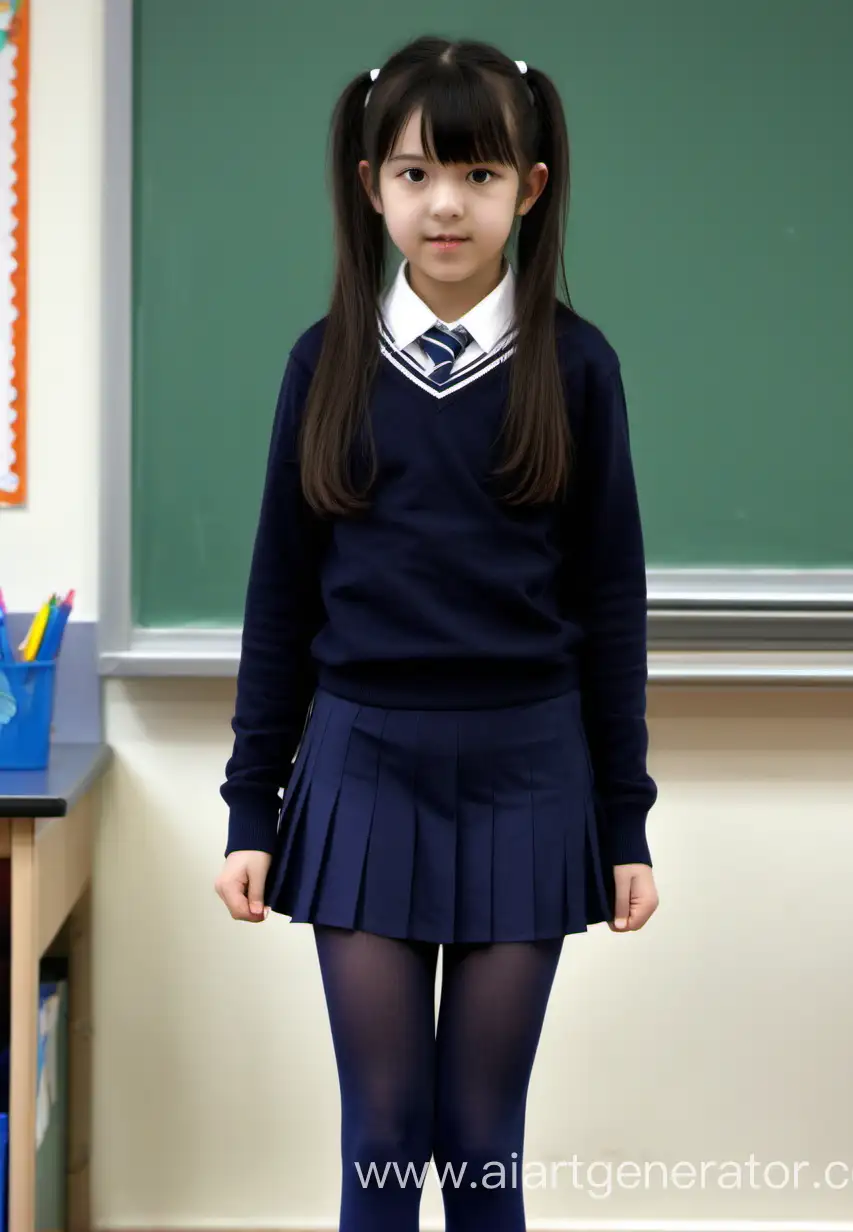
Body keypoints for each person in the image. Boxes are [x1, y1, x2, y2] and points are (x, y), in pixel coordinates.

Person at [214, 34, 659, 1231]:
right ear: (370, 186)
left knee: (478, 1143)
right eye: (414, 174)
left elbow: (612, 605)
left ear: (532, 186)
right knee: (382, 1132)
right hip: (361, 770)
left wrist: (627, 820)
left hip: (531, 771)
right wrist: (252, 804)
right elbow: (281, 597)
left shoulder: (575, 367)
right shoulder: (326, 366)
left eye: (479, 174)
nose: (446, 203)